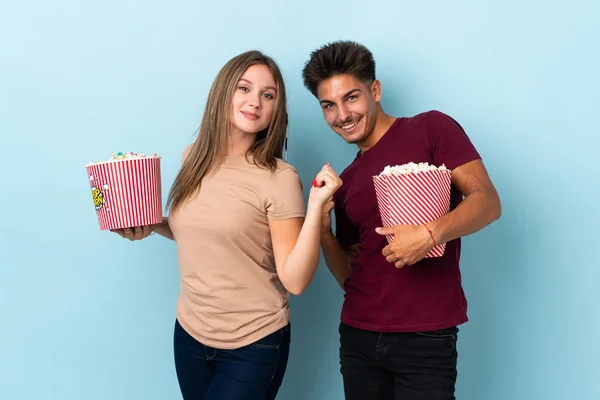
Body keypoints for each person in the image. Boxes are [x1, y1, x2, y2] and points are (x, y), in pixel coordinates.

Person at [112, 50, 342, 400]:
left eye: (268, 95)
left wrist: (315, 209)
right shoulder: (194, 156)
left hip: (254, 343)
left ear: (276, 110)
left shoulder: (278, 178)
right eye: (244, 88)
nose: (255, 102)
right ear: (223, 91)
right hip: (189, 334)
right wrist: (151, 224)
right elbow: (200, 231)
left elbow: (295, 280)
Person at [302, 40, 502, 400]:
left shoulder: (431, 129)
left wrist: (429, 234)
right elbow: (350, 274)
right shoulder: (346, 183)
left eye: (351, 97)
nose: (342, 115)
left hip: (425, 337)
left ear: (375, 90)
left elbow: (487, 202)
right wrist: (323, 233)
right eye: (328, 106)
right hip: (358, 337)